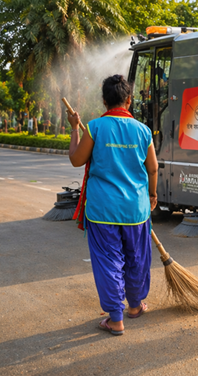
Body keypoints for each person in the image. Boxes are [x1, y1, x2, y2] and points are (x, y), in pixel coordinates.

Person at [67, 75, 158, 336]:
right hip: (136, 210)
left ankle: (116, 319)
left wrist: (74, 127)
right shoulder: (143, 131)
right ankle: (135, 306)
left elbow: (76, 159)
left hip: (102, 210)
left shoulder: (94, 127)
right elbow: (152, 169)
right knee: (137, 258)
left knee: (109, 261)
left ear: (105, 101)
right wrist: (152, 196)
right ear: (129, 101)